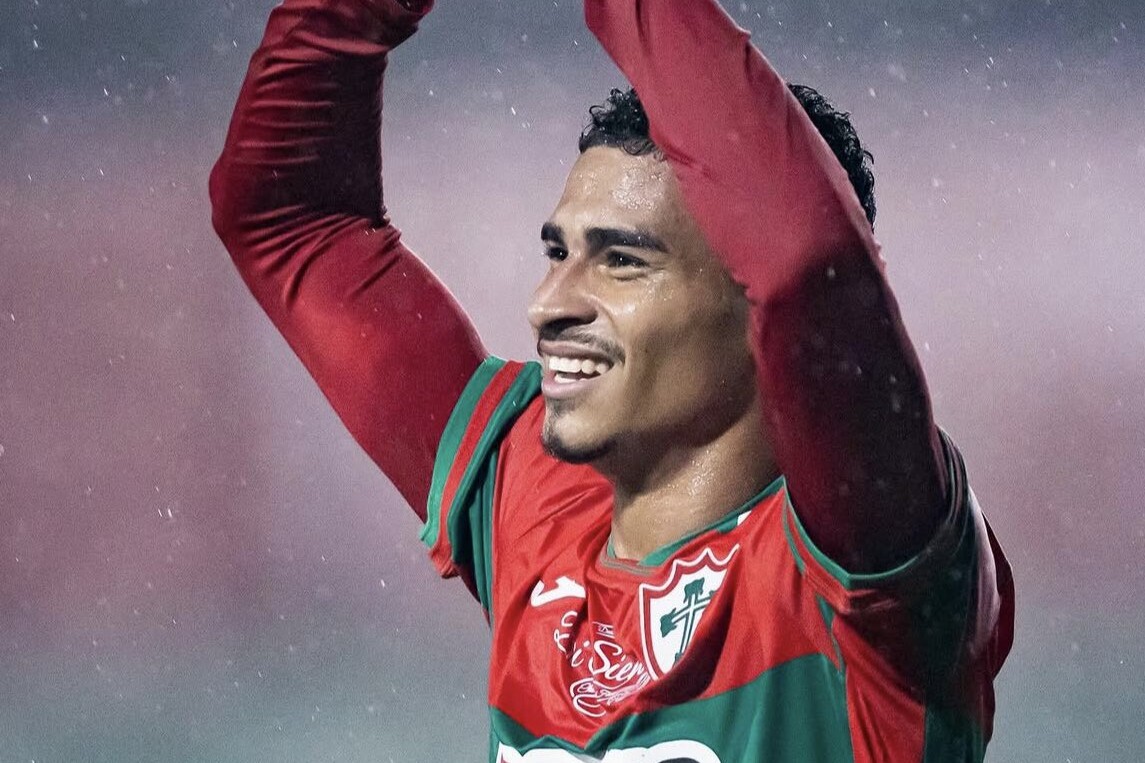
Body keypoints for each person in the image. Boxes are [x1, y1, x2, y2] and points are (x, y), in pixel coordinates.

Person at [210, 0, 1015, 759]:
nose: (547, 304)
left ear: (758, 316)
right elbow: (285, 215)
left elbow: (806, 262)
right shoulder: (532, 499)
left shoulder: (868, 570)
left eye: (622, 260)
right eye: (558, 253)